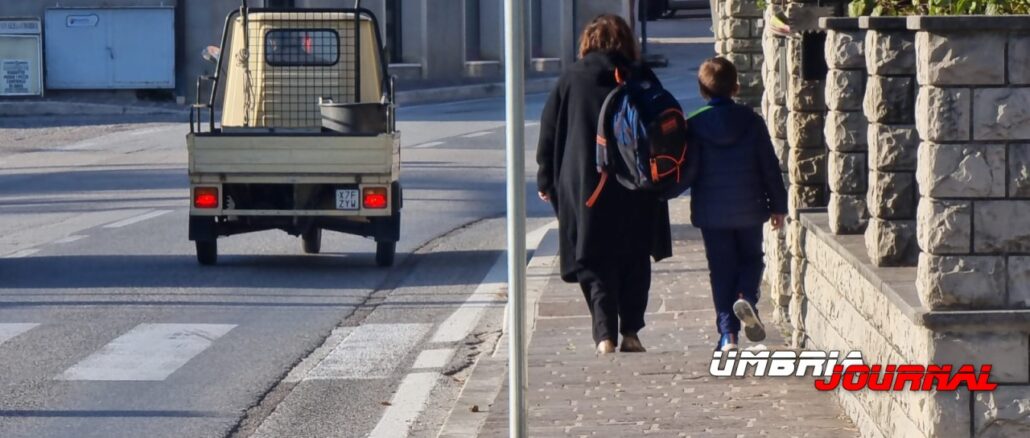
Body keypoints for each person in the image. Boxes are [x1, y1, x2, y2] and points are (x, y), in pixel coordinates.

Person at [536, 14, 672, 355]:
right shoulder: (640, 75)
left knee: (594, 257)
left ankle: (604, 335)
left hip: (588, 185)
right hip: (637, 185)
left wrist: (545, 178)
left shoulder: (573, 78)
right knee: (634, 256)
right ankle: (631, 332)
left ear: (588, 42)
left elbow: (550, 131)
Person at [685, 57, 788, 352]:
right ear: (736, 87)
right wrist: (778, 206)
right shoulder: (752, 121)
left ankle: (728, 335)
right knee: (752, 259)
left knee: (720, 270)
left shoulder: (694, 125)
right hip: (749, 208)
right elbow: (769, 166)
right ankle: (745, 296)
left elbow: (689, 170)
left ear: (702, 90)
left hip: (712, 212)